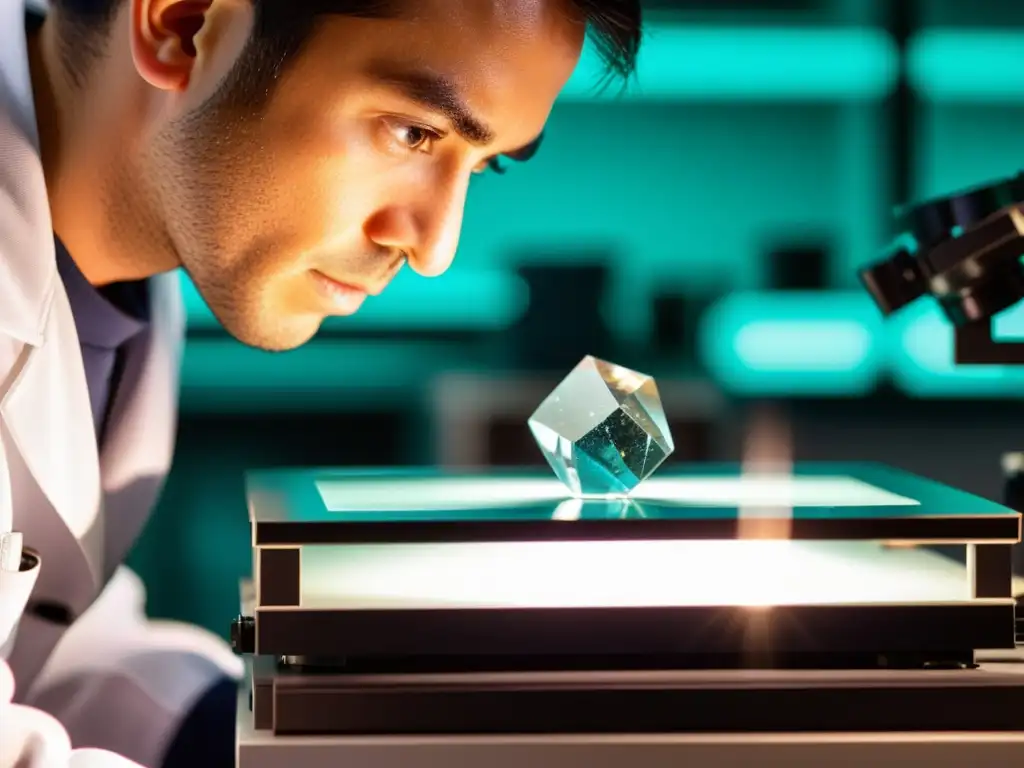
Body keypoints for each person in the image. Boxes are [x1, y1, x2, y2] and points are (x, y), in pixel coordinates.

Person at [0, 0, 643, 765]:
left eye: (483, 163)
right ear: (181, 23)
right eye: (413, 131)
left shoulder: (119, 274)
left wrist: (254, 726)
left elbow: (43, 641)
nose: (435, 245)